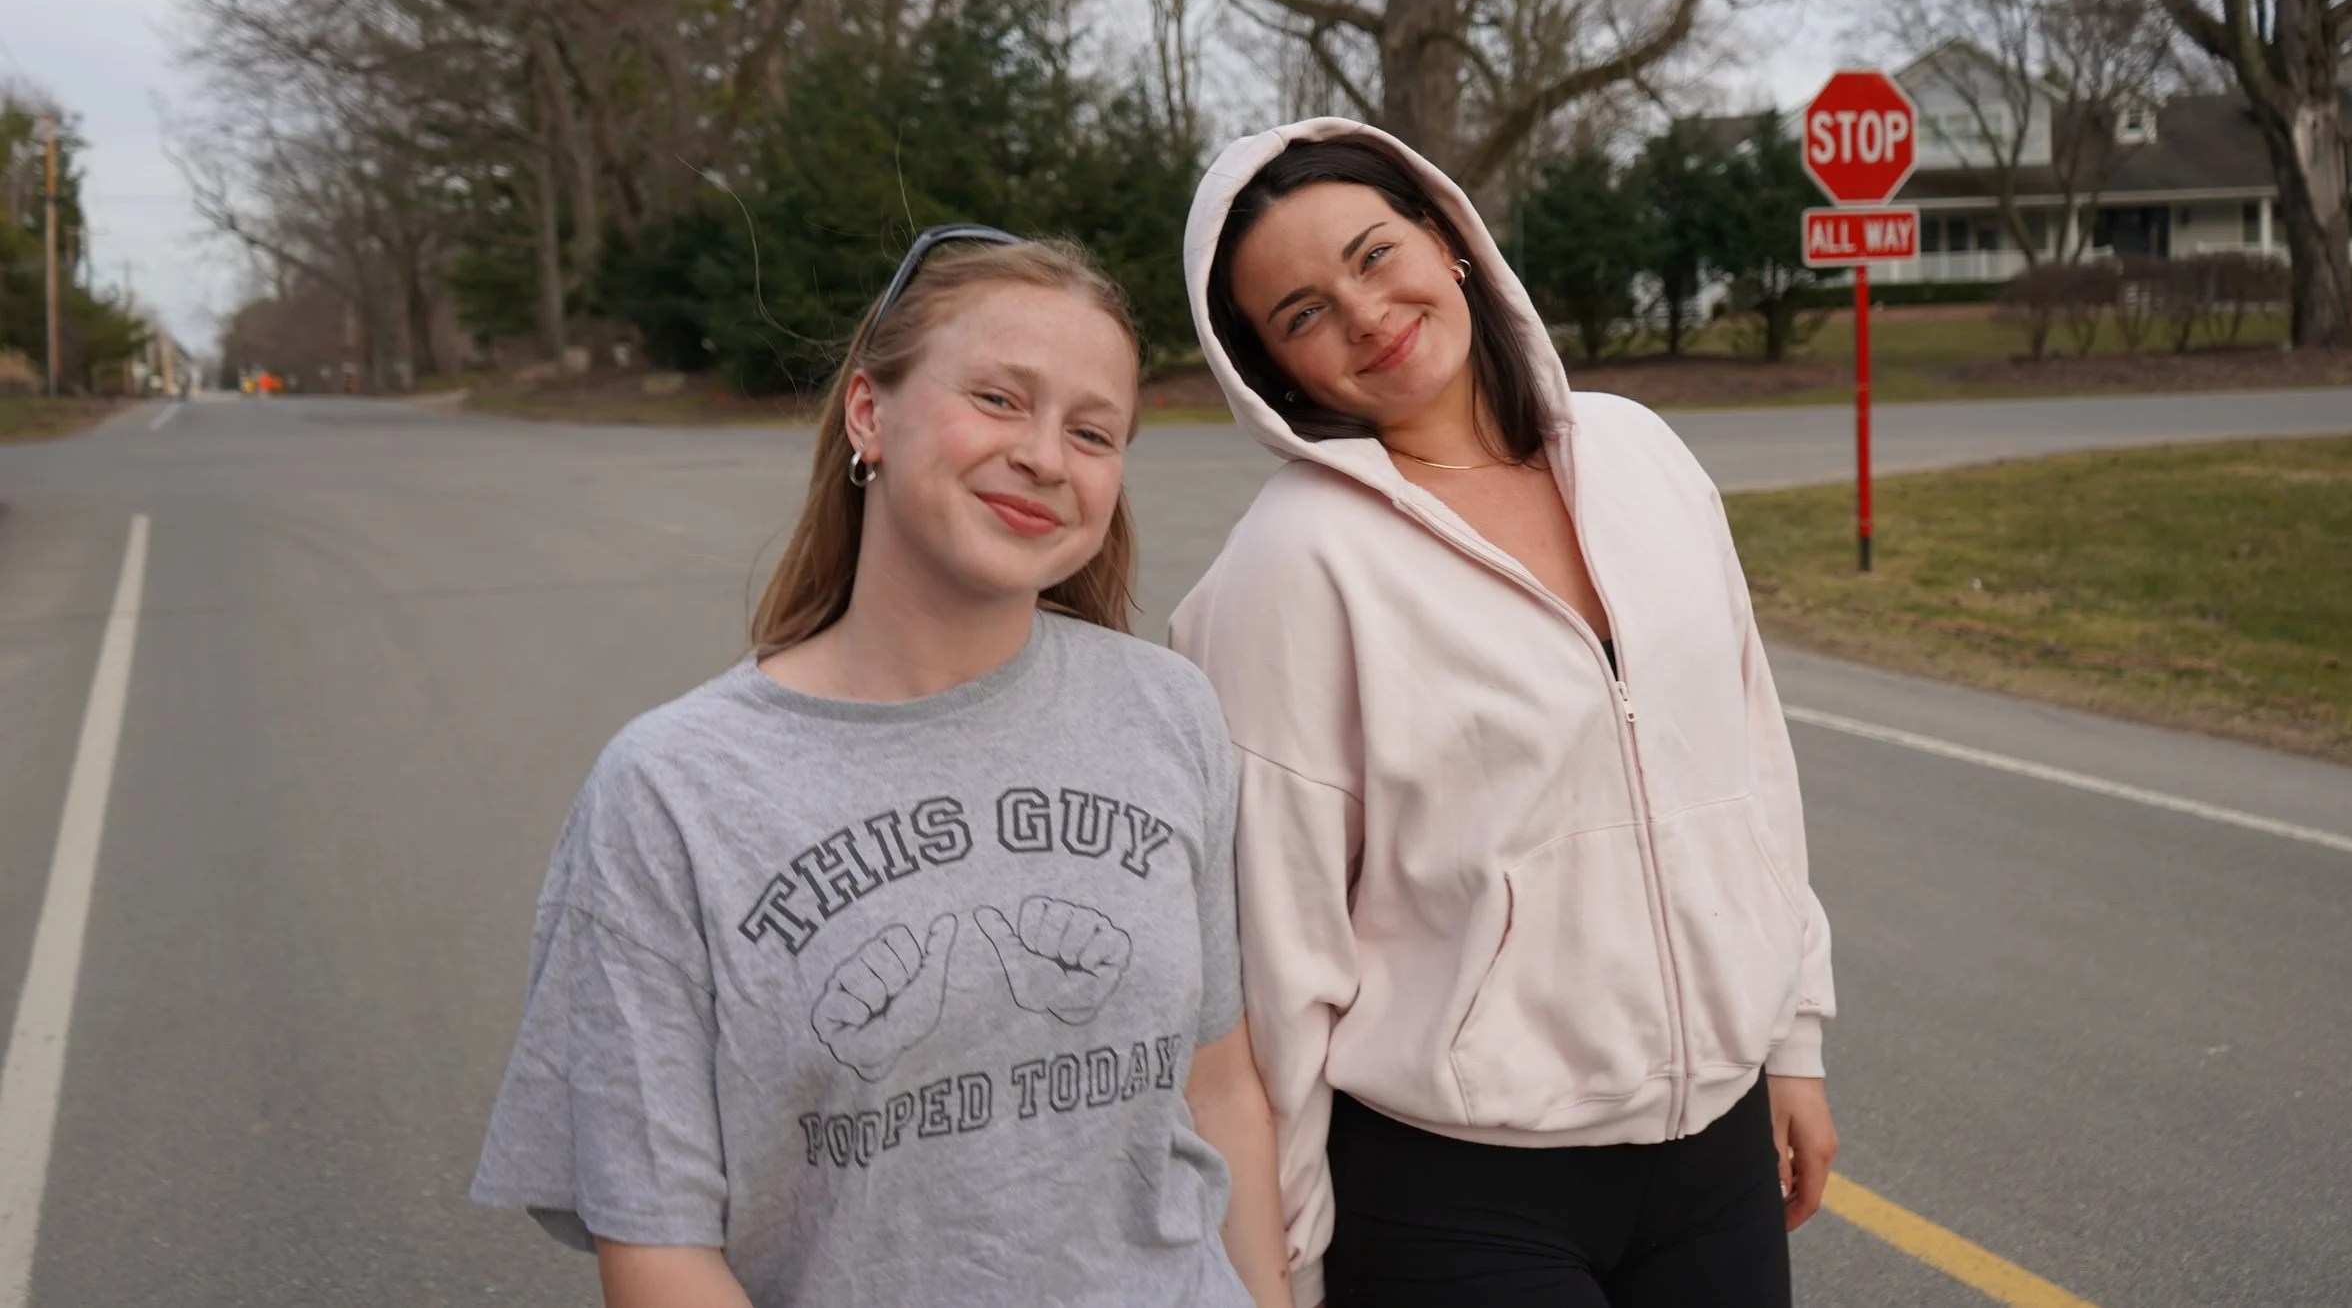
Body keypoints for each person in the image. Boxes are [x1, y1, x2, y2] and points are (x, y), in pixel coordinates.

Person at [473, 229, 1294, 1308]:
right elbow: (660, 1244)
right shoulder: (675, 787)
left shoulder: (1165, 708)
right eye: (999, 399)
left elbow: (1219, 1088)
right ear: (870, 412)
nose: (1046, 455)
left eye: (1092, 430)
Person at [1170, 124, 1839, 1308]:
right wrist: (1287, 1252)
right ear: (1274, 371)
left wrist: (1790, 1038)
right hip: (1455, 1192)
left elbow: (1751, 766)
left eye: (1377, 255)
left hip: (1714, 1153)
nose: (1367, 313)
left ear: (1451, 240)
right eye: (1304, 313)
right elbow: (1279, 945)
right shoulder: (1293, 562)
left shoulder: (1640, 454)